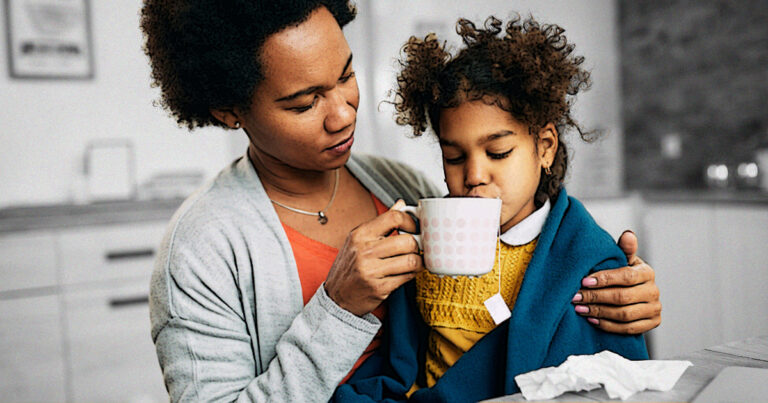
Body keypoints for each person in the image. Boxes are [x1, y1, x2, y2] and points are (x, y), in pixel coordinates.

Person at [139, 1, 661, 401]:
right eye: (304, 102)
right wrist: (338, 308)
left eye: (345, 75)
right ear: (229, 111)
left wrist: (617, 292)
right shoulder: (202, 249)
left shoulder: (402, 189)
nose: (342, 114)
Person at [334, 15, 649, 402]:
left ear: (545, 146)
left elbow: (613, 373)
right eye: (453, 157)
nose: (474, 175)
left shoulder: (585, 258)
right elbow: (400, 362)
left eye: (497, 153)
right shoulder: (425, 244)